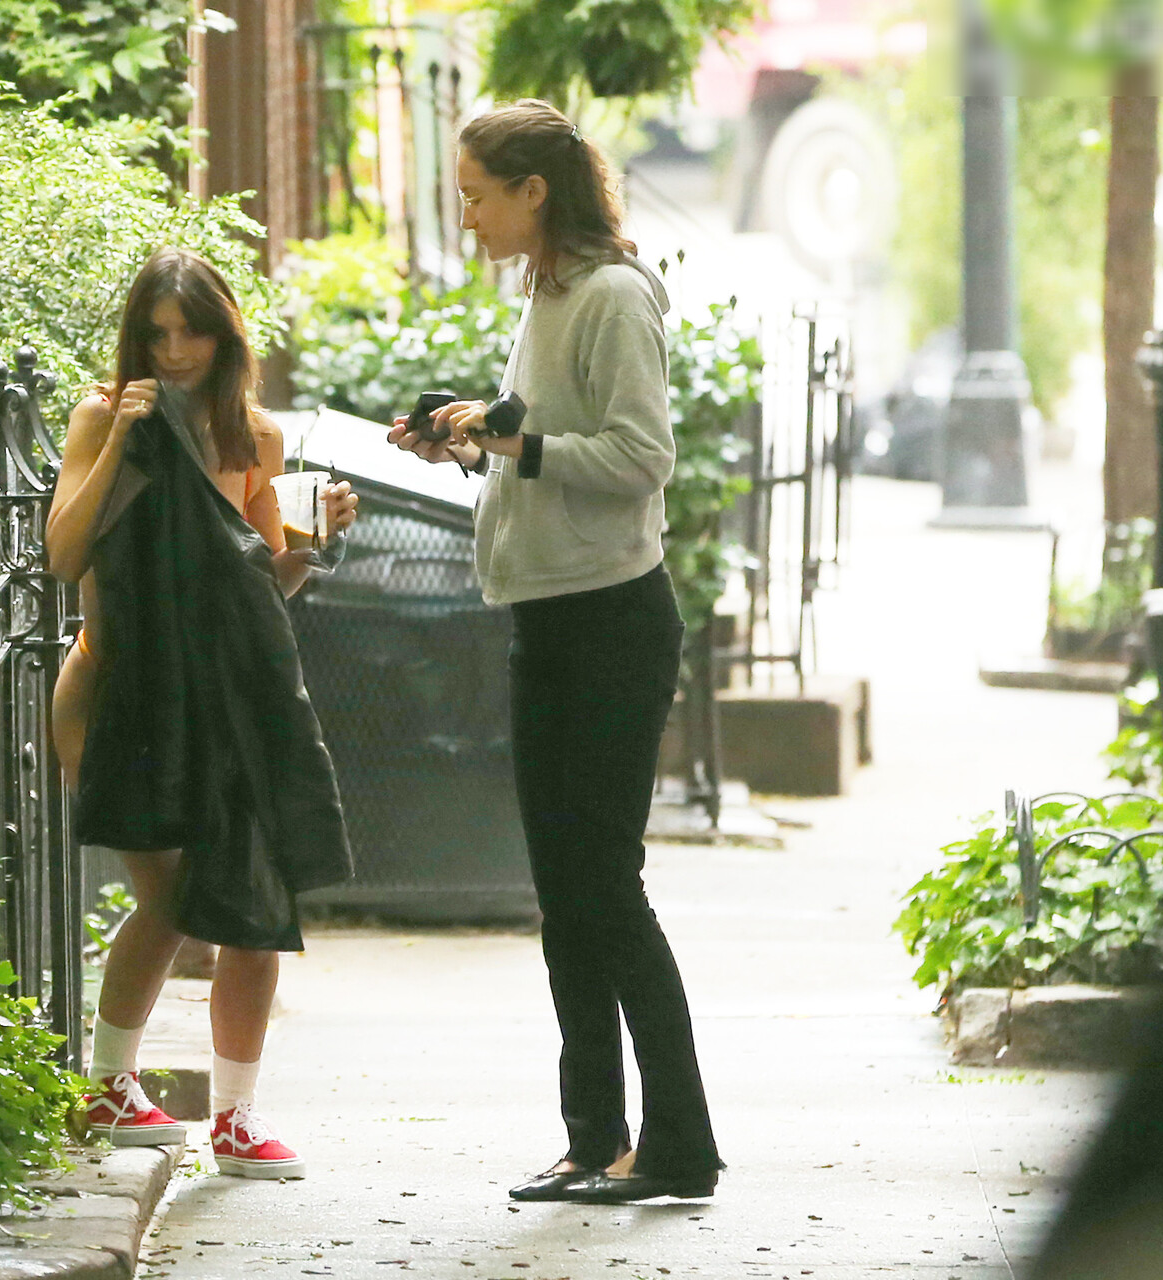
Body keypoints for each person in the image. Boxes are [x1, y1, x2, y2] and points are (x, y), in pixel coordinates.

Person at [388, 99, 722, 1204]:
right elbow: (539, 441)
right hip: (546, 615)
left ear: (535, 192)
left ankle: (678, 1145)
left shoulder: (614, 295)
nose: (467, 215)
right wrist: (468, 437)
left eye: (478, 194)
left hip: (611, 623)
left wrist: (516, 442)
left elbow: (640, 457)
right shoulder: (546, 290)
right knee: (565, 896)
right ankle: (593, 1138)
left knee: (604, 889)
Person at [47, 247, 359, 1180]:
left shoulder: (253, 437)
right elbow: (65, 554)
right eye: (157, 335)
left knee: (254, 904)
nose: (176, 352)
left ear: (226, 338)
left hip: (228, 697)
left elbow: (264, 586)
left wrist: (316, 542)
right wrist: (119, 441)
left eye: (192, 334)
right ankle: (108, 1088)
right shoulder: (103, 413)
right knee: (172, 899)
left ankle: (236, 1117)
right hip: (122, 693)